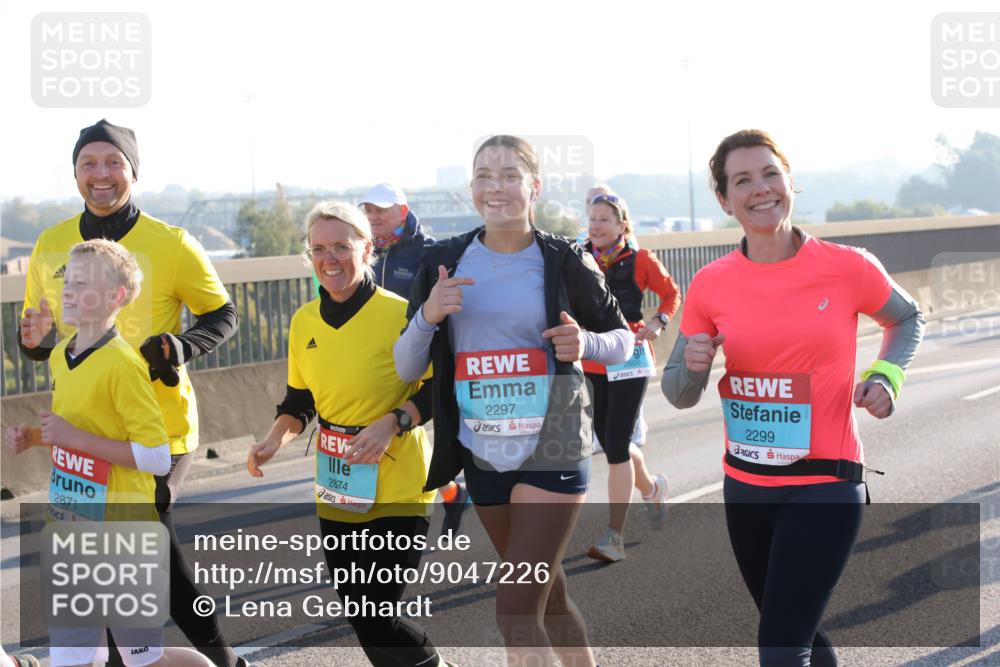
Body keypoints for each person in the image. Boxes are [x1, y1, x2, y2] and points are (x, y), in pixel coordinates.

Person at [662, 129, 924, 666]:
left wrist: (886, 376)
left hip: (824, 484)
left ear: (790, 183)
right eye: (742, 180)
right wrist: (692, 368)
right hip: (745, 486)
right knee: (795, 634)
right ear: (723, 199)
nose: (761, 190)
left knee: (781, 649)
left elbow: (907, 318)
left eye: (770, 174)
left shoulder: (847, 266)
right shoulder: (711, 283)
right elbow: (678, 394)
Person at [394, 135, 634, 667]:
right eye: (483, 175)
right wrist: (428, 316)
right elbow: (407, 367)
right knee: (549, 600)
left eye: (508, 175)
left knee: (515, 611)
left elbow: (623, 339)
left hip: (553, 444)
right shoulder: (443, 260)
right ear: (471, 187)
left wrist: (587, 344)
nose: (495, 187)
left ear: (535, 186)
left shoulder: (564, 258)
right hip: (483, 452)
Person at [18, 119, 243, 667]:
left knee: (148, 553)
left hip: (157, 432)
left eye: (113, 163)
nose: (101, 175)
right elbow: (42, 338)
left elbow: (223, 315)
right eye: (88, 163)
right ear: (74, 173)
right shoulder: (50, 244)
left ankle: (220, 660)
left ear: (133, 173)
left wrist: (180, 345)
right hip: (85, 437)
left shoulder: (171, 243)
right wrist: (32, 340)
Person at [246, 201, 453, 667]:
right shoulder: (302, 322)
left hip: (400, 480)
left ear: (367, 248)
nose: (330, 258)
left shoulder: (402, 314)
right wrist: (274, 440)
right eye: (319, 248)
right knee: (360, 612)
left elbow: (439, 387)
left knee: (377, 612)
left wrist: (393, 421)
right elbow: (300, 400)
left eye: (342, 246)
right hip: (337, 482)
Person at [6, 239, 212, 667]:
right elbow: (79, 430)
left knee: (142, 660)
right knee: (71, 658)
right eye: (67, 278)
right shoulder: (62, 355)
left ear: (116, 296)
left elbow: (156, 456)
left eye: (81, 282)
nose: (67, 290)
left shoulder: (124, 364)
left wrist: (73, 437)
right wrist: (34, 436)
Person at [360, 183, 470, 537]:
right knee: (390, 437)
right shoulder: (365, 252)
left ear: (402, 213)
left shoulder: (428, 252)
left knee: (401, 433)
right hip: (378, 359)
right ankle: (451, 493)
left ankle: (407, 514)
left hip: (422, 361)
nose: (373, 217)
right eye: (369, 210)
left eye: (381, 210)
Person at [582, 192, 679, 562]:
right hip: (592, 359)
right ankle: (652, 489)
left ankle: (614, 536)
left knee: (617, 444)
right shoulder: (579, 257)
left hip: (631, 358)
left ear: (623, 225)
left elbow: (671, 294)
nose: (596, 225)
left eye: (604, 219)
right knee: (610, 440)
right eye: (592, 218)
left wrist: (659, 322)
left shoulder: (640, 259)